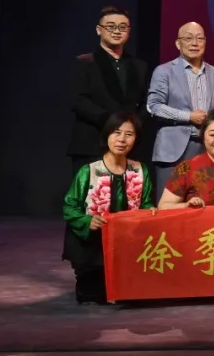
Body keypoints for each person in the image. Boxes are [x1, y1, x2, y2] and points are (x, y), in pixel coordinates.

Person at [62, 112, 155, 304]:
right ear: (107, 135)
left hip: (126, 241)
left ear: (136, 139)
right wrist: (88, 221)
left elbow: (145, 203)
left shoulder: (140, 170)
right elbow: (70, 207)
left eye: (129, 134)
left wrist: (150, 210)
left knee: (132, 296)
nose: (122, 139)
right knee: (94, 296)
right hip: (93, 243)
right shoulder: (88, 170)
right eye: (116, 132)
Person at [148, 21, 214, 201]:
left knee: (203, 205)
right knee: (169, 207)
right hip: (173, 150)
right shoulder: (164, 71)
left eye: (199, 38)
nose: (194, 43)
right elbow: (154, 106)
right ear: (178, 43)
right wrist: (188, 116)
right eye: (188, 38)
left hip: (207, 149)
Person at [67, 6, 149, 176]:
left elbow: (145, 102)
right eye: (111, 26)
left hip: (128, 146)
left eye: (122, 27)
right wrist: (111, 122)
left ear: (129, 31)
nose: (116, 31)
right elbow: (79, 101)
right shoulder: (84, 62)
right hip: (91, 144)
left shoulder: (139, 66)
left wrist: (132, 125)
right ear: (99, 30)